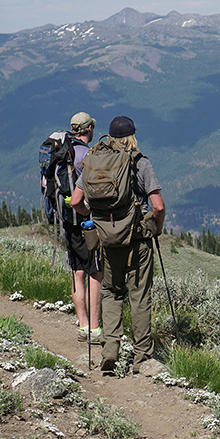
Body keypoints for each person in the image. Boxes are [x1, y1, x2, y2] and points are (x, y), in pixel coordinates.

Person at [71, 115, 166, 373]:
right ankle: (142, 357)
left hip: (107, 241)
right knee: (139, 295)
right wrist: (155, 228)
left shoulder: (94, 161)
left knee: (112, 292)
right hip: (138, 239)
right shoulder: (140, 163)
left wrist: (94, 217)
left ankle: (109, 352)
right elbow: (157, 206)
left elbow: (76, 201)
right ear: (133, 135)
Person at [66, 112, 103, 345]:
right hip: (86, 220)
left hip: (67, 220)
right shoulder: (87, 155)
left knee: (77, 272)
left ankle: (82, 325)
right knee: (95, 272)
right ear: (89, 129)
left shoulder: (64, 152)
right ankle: (96, 329)